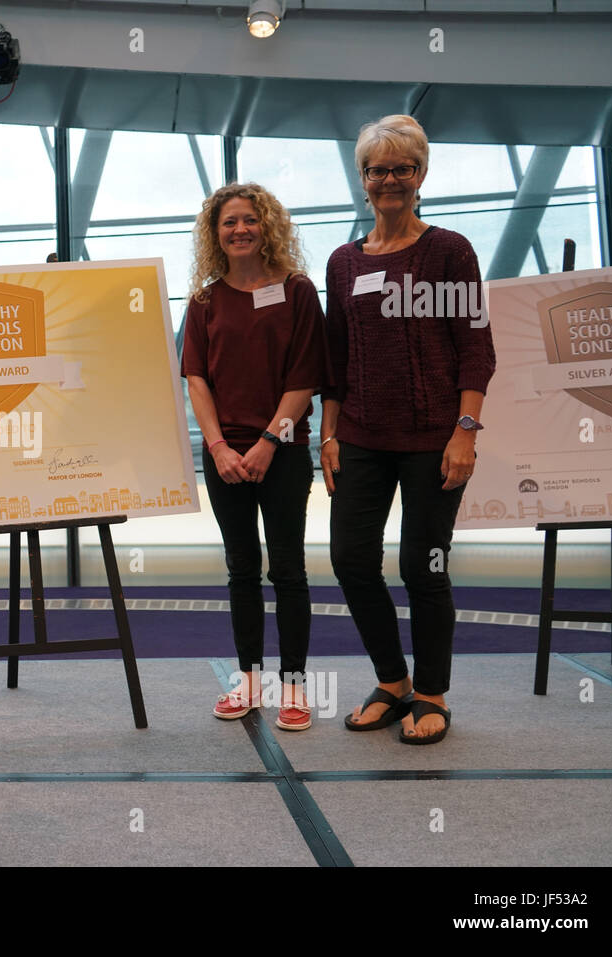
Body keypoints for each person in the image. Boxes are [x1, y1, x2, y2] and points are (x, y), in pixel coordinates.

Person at [322, 115, 496, 744]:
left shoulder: (448, 251)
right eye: (377, 169)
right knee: (350, 561)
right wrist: (329, 434)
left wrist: (465, 430)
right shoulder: (343, 263)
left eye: (402, 168)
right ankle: (392, 683)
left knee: (423, 568)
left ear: (421, 176)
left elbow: (476, 348)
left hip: (432, 443)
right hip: (362, 440)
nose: (389, 179)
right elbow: (335, 362)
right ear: (362, 180)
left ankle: (432, 694)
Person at [181, 183, 329, 732]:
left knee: (287, 569)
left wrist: (269, 442)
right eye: (228, 222)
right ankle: (248, 680)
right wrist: (217, 446)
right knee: (241, 570)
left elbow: (305, 379)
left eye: (249, 220)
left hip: (283, 452)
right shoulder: (203, 301)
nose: (240, 229)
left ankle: (293, 685)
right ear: (215, 234)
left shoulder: (297, 291)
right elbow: (197, 380)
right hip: (224, 459)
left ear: (266, 225)